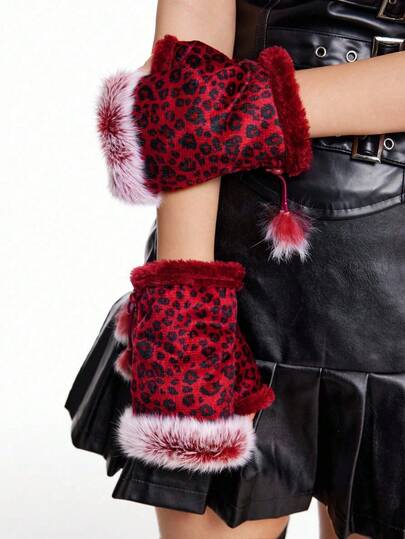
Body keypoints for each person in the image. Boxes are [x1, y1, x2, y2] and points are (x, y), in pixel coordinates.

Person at [65, 1, 405, 537]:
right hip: (237, 272)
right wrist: (184, 311)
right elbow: (189, 50)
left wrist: (220, 108)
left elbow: (184, 104)